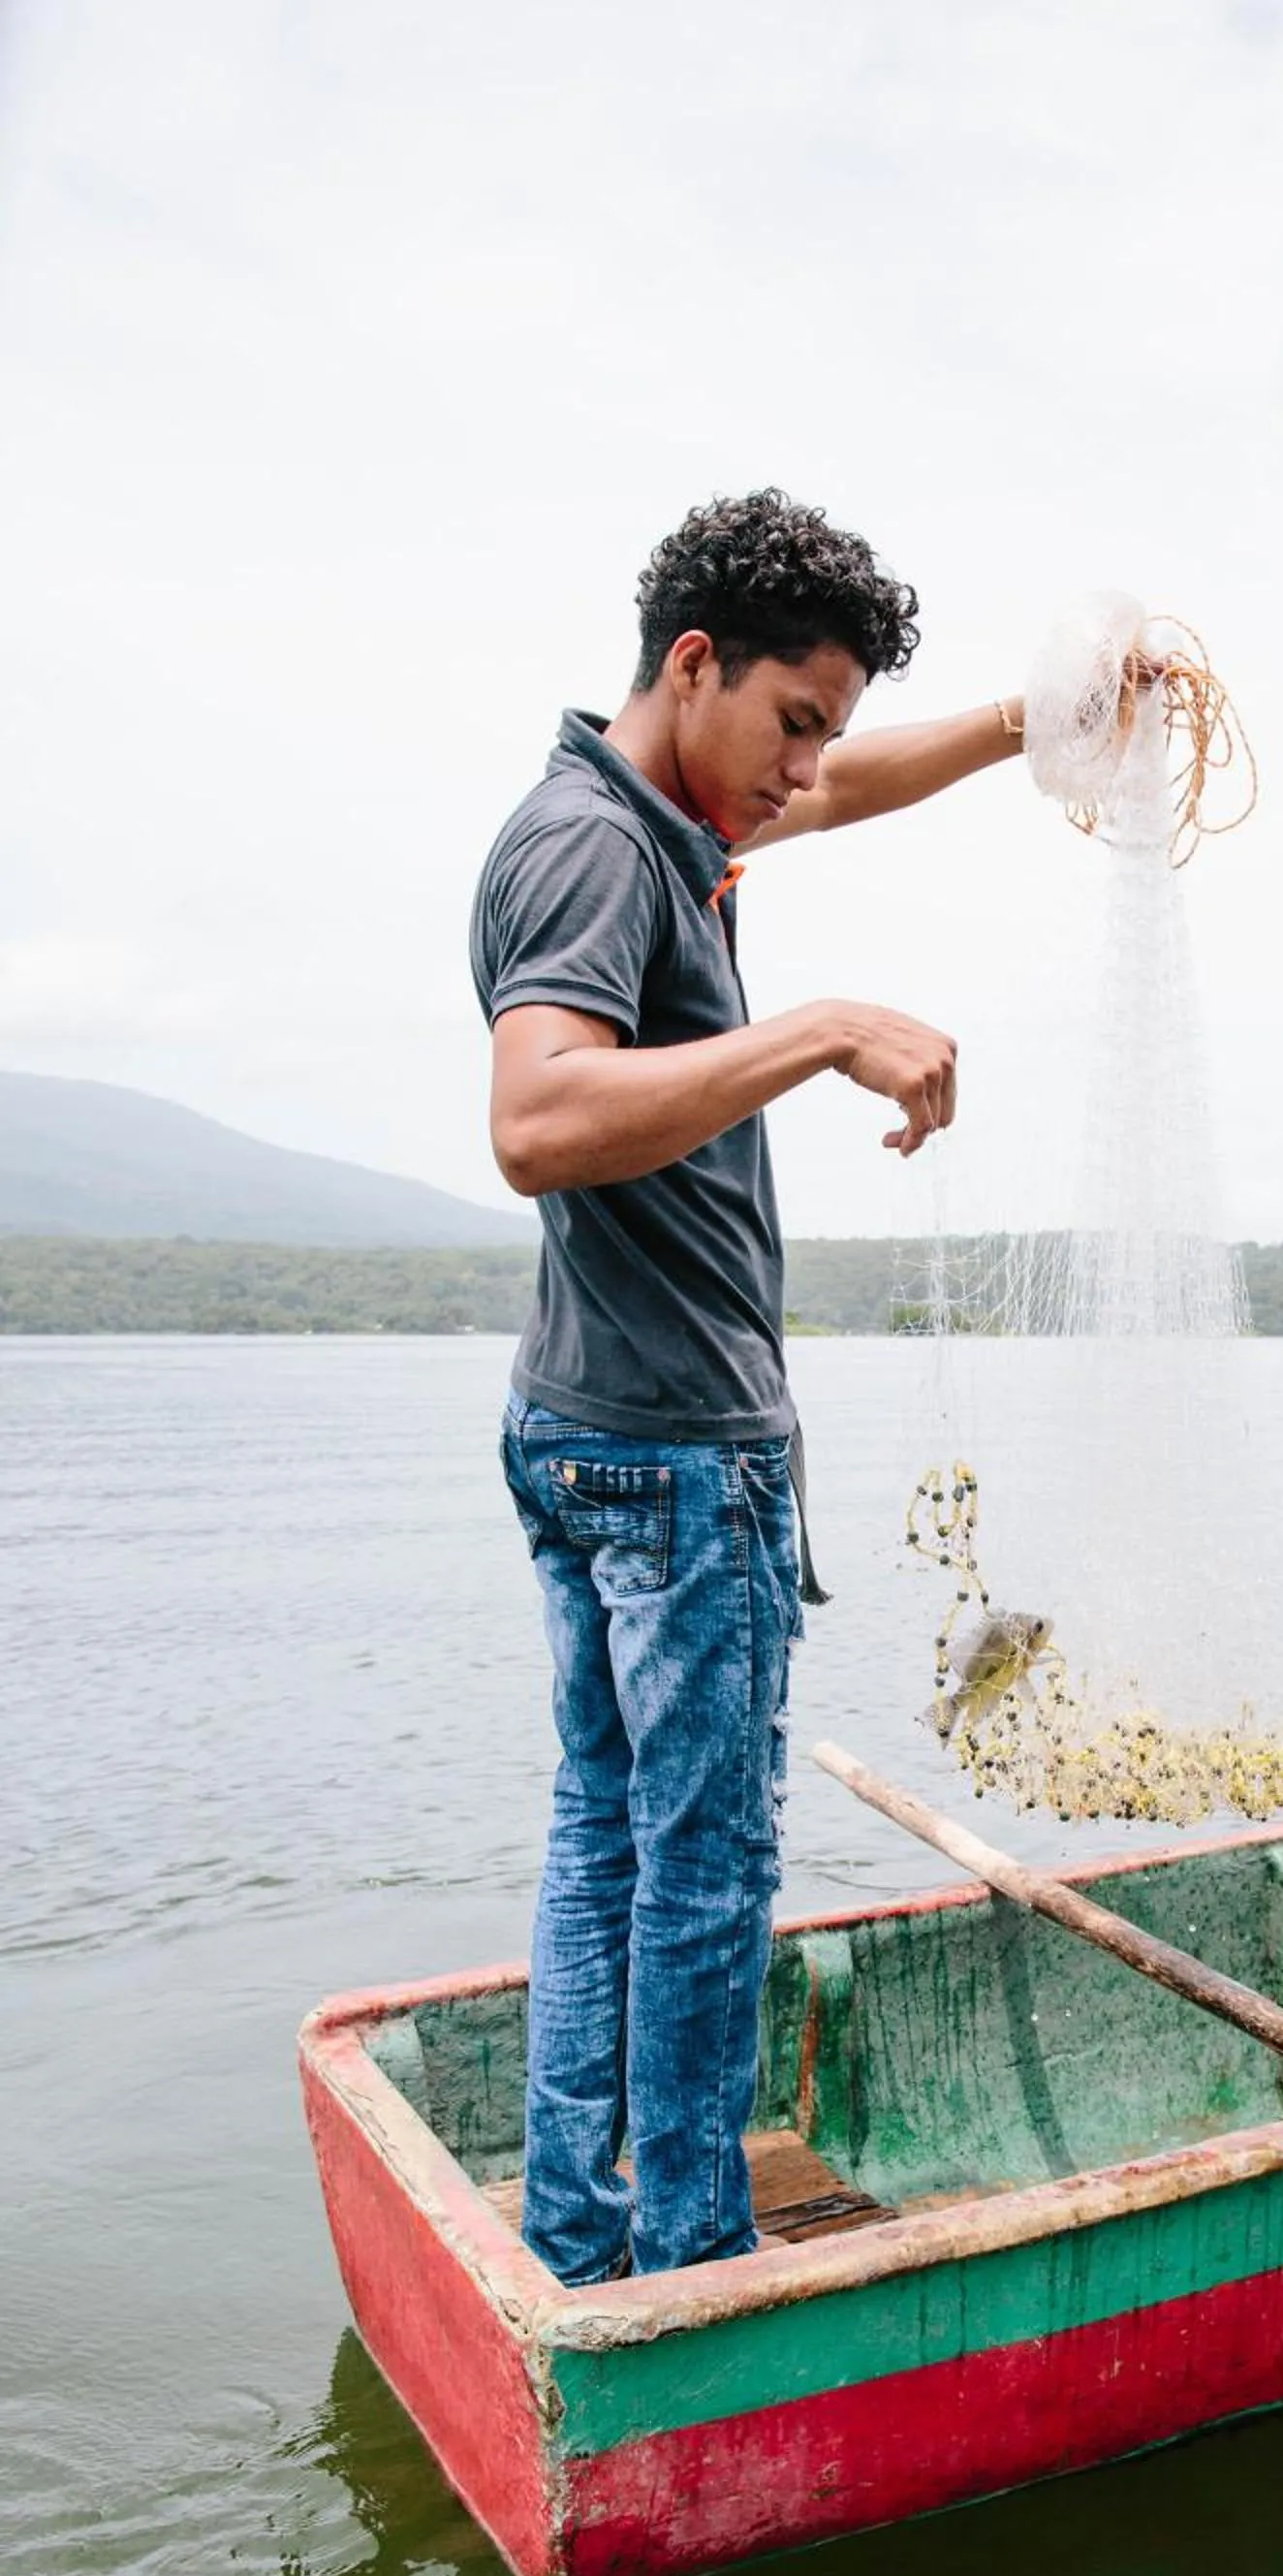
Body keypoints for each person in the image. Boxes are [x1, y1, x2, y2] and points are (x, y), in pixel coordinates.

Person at [472, 487, 1032, 2286]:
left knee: (609, 1847)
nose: (810, 772)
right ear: (691, 665)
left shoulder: (673, 819)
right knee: (702, 1884)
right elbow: (538, 1121)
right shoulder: (597, 850)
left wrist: (1031, 726)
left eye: (831, 733)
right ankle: (697, 2270)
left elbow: (846, 788)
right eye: (794, 721)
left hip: (592, 1431)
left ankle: (580, 2238)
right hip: (671, 1457)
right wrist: (818, 1028)